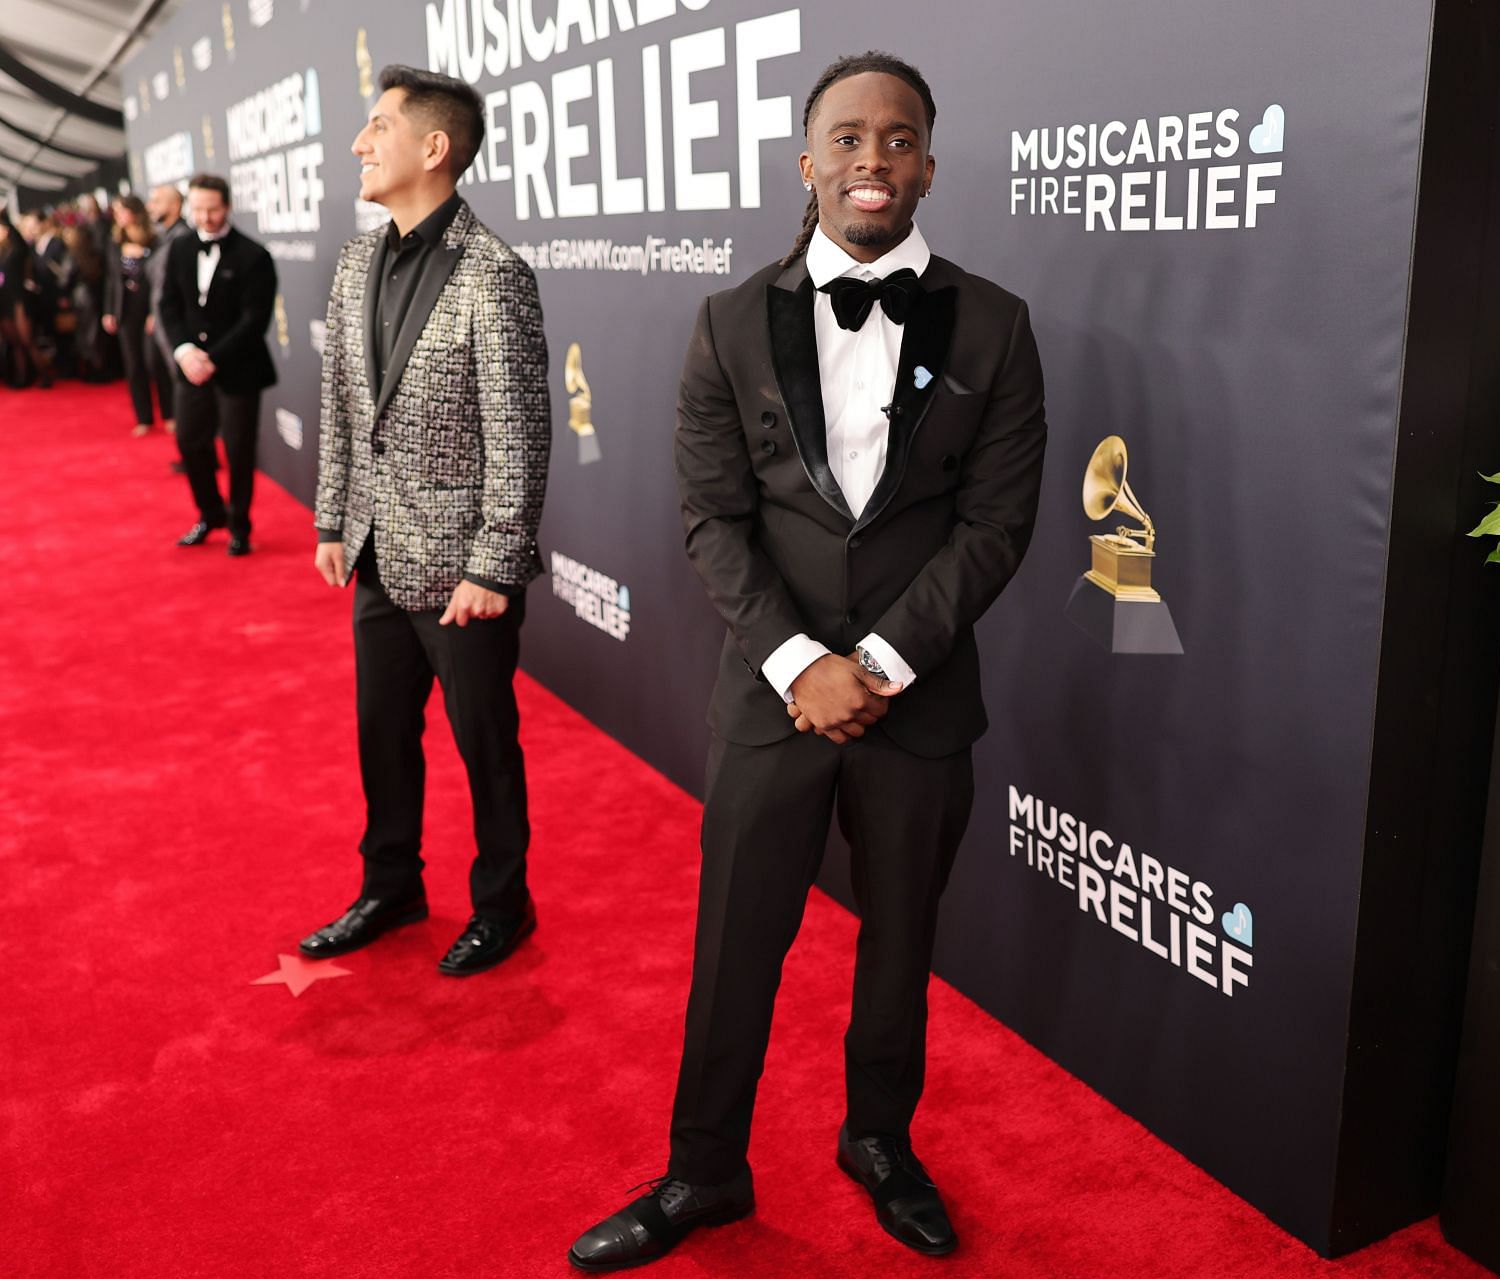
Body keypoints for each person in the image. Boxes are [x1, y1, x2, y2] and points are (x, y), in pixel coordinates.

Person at [568, 52, 1047, 1271]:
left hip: (919, 697)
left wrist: (880, 661)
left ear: (930, 164)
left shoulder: (996, 322)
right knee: (735, 943)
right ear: (808, 162)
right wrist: (799, 663)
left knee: (900, 941)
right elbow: (710, 519)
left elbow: (998, 524)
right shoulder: (728, 320)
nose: (871, 159)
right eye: (847, 138)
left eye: (898, 139)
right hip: (773, 699)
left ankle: (879, 1141)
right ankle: (704, 1169)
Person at [303, 64, 550, 975]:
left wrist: (493, 565)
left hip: (462, 577)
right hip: (373, 551)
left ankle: (503, 902)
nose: (360, 145)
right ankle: (391, 885)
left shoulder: (496, 275)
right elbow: (341, 402)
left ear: (433, 149)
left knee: (484, 744)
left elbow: (520, 435)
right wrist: (334, 518)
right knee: (382, 735)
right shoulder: (357, 258)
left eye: (377, 128)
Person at [156, 174, 276, 555]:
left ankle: (240, 524)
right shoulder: (179, 250)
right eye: (199, 209)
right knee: (189, 442)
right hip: (190, 366)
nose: (206, 217)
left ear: (227, 207)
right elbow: (168, 306)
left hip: (239, 368)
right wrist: (183, 351)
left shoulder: (255, 255)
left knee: (239, 450)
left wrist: (212, 358)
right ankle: (211, 514)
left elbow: (254, 321)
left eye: (213, 209)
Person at [102, 196, 169, 434]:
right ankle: (144, 418)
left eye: (122, 211)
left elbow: (161, 277)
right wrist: (109, 311)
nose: (118, 216)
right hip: (125, 309)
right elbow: (111, 280)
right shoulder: (114, 240)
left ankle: (169, 414)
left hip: (150, 306)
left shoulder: (155, 239)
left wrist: (155, 312)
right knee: (133, 364)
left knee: (155, 361)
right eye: (116, 211)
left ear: (135, 212)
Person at [143, 184, 192, 444]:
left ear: (174, 206)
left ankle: (196, 445)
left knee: (183, 382)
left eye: (156, 201)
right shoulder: (160, 236)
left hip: (177, 322)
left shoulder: (183, 237)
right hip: (162, 317)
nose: (151, 206)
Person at [0, 211, 53, 389]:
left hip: (19, 300)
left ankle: (44, 374)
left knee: (27, 340)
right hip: (3, 301)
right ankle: (23, 376)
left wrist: (2, 216)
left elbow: (21, 243)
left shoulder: (16, 250)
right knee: (15, 342)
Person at [65, 226, 110, 380]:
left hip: (81, 299)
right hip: (96, 298)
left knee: (85, 335)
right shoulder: (97, 253)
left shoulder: (74, 255)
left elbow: (66, 278)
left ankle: (91, 368)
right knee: (96, 334)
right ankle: (100, 367)